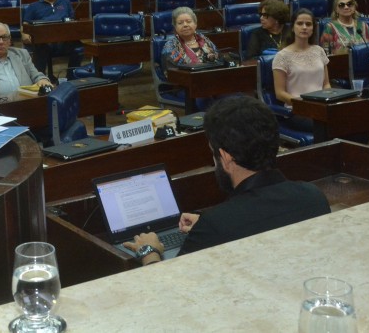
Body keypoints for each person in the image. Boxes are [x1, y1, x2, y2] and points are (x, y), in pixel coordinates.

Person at [122, 95, 330, 263]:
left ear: (225, 157)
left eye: (213, 154)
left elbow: (169, 289)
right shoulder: (314, 198)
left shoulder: (215, 227)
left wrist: (149, 250)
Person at [272, 8, 328, 132]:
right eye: (299, 23)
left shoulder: (319, 50)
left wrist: (328, 100)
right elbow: (280, 93)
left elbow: (326, 83)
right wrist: (303, 104)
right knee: (326, 126)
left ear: (313, 28)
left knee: (350, 121)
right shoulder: (282, 56)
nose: (304, 27)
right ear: (292, 27)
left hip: (322, 106)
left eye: (308, 24)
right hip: (297, 110)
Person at [22, 0, 82, 80]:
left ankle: (71, 78)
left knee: (79, 47)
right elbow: (25, 26)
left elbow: (73, 23)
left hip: (63, 41)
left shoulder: (65, 3)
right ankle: (40, 80)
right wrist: (24, 35)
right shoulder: (33, 6)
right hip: (43, 43)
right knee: (40, 48)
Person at [161, 6, 219, 70]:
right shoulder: (170, 47)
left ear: (195, 24)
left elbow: (218, 60)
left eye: (189, 21)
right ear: (175, 27)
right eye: (180, 23)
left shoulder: (204, 39)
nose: (185, 25)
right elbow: (172, 73)